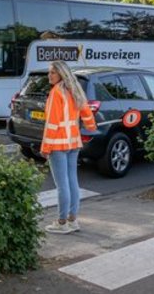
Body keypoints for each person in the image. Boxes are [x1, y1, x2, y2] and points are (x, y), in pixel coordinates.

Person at [41, 60, 98, 234]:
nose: (49, 75)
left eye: (53, 72)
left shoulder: (56, 93)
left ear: (61, 74)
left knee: (62, 185)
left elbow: (52, 123)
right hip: (74, 142)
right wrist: (91, 127)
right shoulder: (75, 89)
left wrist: (45, 147)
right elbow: (86, 111)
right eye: (49, 72)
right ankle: (73, 220)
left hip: (58, 144)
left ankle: (61, 222)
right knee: (72, 181)